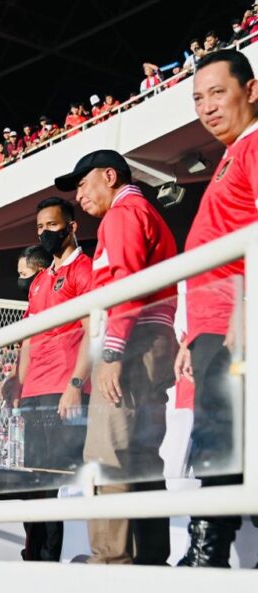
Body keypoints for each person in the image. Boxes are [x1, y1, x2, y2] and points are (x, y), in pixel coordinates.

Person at [55, 149, 178, 565]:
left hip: (135, 340)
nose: (78, 195)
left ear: (109, 176)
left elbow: (124, 282)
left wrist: (112, 349)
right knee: (142, 457)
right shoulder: (143, 211)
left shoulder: (123, 214)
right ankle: (150, 560)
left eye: (83, 183)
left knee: (108, 454)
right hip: (152, 339)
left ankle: (109, 563)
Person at [175, 49, 258, 567]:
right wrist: (192, 334)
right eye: (198, 98)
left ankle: (208, 557)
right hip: (213, 327)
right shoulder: (231, 155)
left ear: (251, 90)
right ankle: (207, 554)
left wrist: (243, 310)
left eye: (217, 92)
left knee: (231, 441)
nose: (206, 107)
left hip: (239, 324)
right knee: (216, 441)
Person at [18, 197, 93, 562]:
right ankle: (33, 558)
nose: (44, 232)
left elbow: (93, 329)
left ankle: (56, 562)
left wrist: (76, 385)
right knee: (34, 483)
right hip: (35, 392)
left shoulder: (84, 270)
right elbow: (30, 336)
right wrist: (17, 383)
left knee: (62, 480)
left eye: (51, 225)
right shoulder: (39, 281)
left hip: (65, 392)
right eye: (39, 227)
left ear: (71, 226)